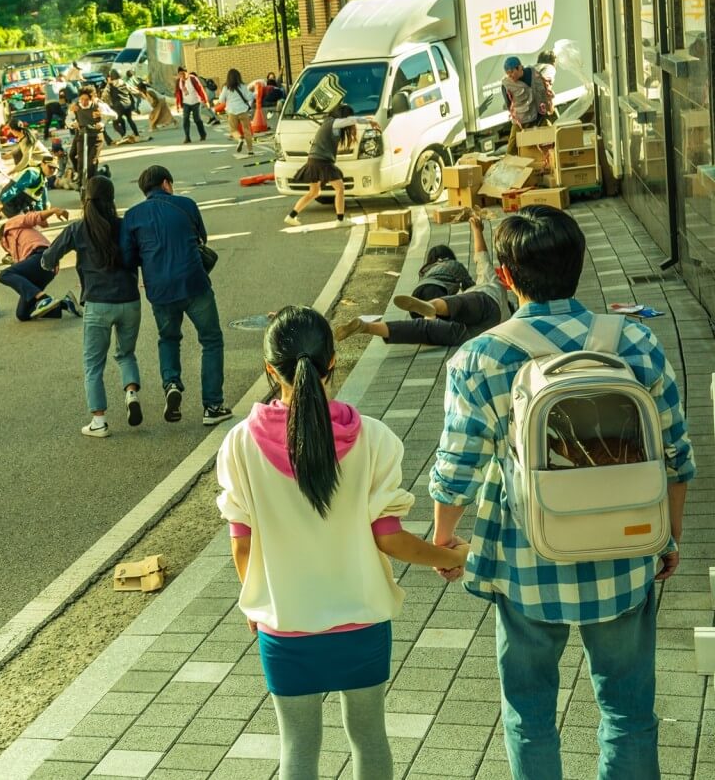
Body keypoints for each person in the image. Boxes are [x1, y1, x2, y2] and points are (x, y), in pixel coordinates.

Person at [430, 206, 694, 779]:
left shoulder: (480, 357)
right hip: (625, 554)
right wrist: (668, 535)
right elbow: (676, 454)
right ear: (579, 264)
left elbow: (458, 468)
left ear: (505, 277)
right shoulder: (635, 342)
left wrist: (444, 539)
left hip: (526, 562)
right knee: (627, 712)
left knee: (529, 715)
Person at [218, 305, 469, 780]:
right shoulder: (373, 439)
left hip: (286, 625)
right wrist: (452, 555)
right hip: (362, 620)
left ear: (271, 370)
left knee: (297, 746)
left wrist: (254, 603)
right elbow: (390, 540)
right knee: (369, 734)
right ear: (334, 361)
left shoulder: (239, 445)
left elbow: (241, 545)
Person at [121, 165, 230, 426]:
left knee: (168, 338)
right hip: (194, 283)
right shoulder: (186, 204)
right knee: (211, 340)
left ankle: (171, 384)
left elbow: (127, 257)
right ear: (167, 183)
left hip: (159, 290)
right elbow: (201, 237)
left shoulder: (132, 216)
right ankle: (212, 405)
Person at [41, 176, 142, 437]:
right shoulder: (125, 226)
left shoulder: (78, 230)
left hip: (98, 304)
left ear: (85, 200)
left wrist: (50, 263)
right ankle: (131, 394)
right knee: (126, 354)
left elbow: (48, 258)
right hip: (130, 301)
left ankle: (99, 422)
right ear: (111, 199)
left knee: (93, 365)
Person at [335, 215, 511, 347]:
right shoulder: (508, 313)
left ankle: (431, 307)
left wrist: (477, 230)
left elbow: (481, 257)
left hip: (485, 303)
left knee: (451, 309)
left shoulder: (493, 284)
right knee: (428, 329)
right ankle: (367, 327)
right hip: (473, 334)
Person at [285, 105, 381, 225]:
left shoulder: (328, 122)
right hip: (322, 162)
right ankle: (340, 220)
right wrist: (369, 121)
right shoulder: (334, 123)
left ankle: (291, 216)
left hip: (314, 160)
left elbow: (351, 120)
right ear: (343, 116)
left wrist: (368, 118)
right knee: (340, 188)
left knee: (314, 192)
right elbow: (352, 120)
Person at [0, 206, 78, 321]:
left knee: (4, 274)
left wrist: (54, 210)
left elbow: (33, 217)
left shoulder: (10, 225)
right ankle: (66, 304)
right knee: (22, 314)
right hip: (43, 270)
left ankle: (43, 298)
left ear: (1, 238)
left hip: (42, 256)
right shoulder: (17, 252)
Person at [502, 55, 554, 154]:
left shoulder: (534, 73)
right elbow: (509, 105)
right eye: (508, 73)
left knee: (552, 140)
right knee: (511, 150)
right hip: (521, 121)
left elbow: (544, 91)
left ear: (520, 67)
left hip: (539, 117)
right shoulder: (506, 85)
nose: (510, 76)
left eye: (512, 72)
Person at [66, 86, 112, 187]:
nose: (83, 102)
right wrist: (73, 124)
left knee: (91, 163)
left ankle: (94, 183)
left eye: (86, 99)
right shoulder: (76, 107)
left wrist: (102, 121)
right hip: (82, 135)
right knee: (80, 161)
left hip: (96, 137)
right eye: (81, 99)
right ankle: (81, 179)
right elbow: (68, 119)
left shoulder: (98, 105)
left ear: (92, 99)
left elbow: (113, 115)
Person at [217, 69, 256, 156]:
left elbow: (221, 100)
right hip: (243, 110)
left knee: (233, 130)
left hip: (232, 111)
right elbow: (250, 97)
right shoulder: (243, 86)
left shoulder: (226, 87)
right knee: (247, 130)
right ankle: (250, 151)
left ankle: (239, 139)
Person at [175, 67, 208, 143]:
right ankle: (187, 137)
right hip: (186, 103)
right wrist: (177, 105)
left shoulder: (193, 79)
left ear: (187, 73)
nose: (182, 76)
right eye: (180, 74)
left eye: (183, 73)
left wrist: (205, 101)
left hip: (196, 102)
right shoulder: (179, 81)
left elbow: (200, 89)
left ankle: (203, 134)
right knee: (185, 119)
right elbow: (177, 93)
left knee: (197, 119)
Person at [104, 70, 139, 140]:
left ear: (111, 77)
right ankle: (136, 134)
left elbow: (104, 95)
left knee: (115, 122)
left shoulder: (110, 85)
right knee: (130, 119)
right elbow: (134, 91)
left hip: (118, 105)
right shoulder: (124, 83)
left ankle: (123, 135)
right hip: (128, 104)